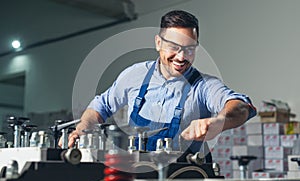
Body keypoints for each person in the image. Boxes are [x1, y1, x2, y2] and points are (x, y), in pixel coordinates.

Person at [61, 10, 256, 153]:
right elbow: (100, 106)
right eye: (174, 47)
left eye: (189, 48)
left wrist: (218, 122)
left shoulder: (204, 86)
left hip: (185, 178)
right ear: (158, 43)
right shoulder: (133, 75)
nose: (181, 57)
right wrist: (83, 129)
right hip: (138, 175)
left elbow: (240, 106)